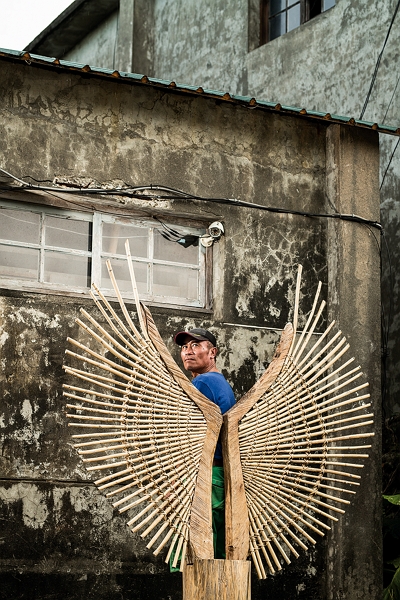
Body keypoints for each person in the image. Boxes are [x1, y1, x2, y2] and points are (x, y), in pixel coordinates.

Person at [173, 327, 236, 560]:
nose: (188, 351)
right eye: (184, 347)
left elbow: (189, 435)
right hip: (217, 476)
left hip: (207, 476)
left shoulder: (204, 383)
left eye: (196, 345)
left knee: (201, 555)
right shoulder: (217, 383)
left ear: (212, 353)